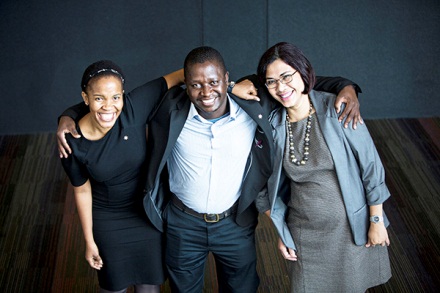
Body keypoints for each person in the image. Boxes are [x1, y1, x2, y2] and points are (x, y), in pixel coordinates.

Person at [57, 47, 362, 292]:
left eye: (214, 82)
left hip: (235, 222)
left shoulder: (252, 100)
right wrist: (68, 116)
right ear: (185, 86)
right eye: (196, 85)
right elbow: (103, 102)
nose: (206, 92)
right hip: (182, 224)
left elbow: (295, 83)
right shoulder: (167, 107)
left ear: (227, 79)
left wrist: (344, 86)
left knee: (242, 287)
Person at [255, 42, 392, 292]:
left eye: (286, 76)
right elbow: (261, 184)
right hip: (304, 233)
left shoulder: (338, 108)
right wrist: (281, 230)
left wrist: (376, 219)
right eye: (271, 81)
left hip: (351, 229)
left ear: (303, 72)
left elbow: (371, 167)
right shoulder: (273, 125)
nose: (281, 87)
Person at [59, 60, 185, 293]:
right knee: (113, 286)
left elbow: (185, 74)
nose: (109, 107)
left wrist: (229, 88)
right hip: (108, 220)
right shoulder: (71, 142)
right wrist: (89, 241)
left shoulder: (133, 107)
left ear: (123, 96)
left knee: (149, 287)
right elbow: (82, 190)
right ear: (85, 99)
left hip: (146, 214)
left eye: (116, 97)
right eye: (99, 99)